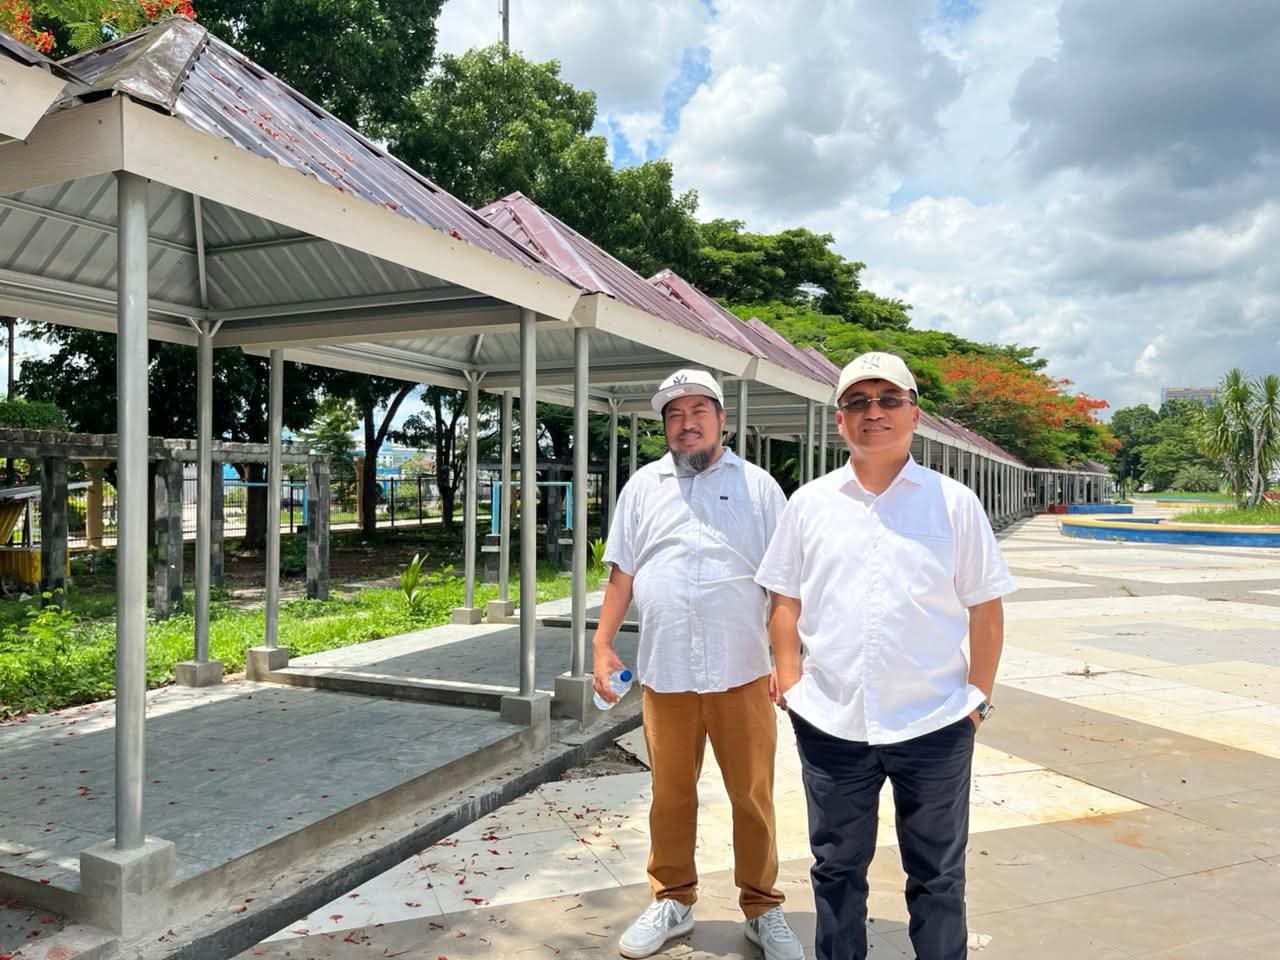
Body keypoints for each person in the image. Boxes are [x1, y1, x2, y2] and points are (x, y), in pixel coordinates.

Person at [754, 351, 1014, 960]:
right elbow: (784, 597)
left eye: (889, 399)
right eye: (858, 402)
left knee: (939, 874)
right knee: (835, 869)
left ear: (913, 414)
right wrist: (791, 679)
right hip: (832, 721)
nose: (874, 412)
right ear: (840, 420)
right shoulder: (810, 503)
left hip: (934, 721)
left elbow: (985, 607)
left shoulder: (954, 503)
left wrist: (976, 700)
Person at [592, 368, 802, 960]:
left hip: (743, 672)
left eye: (698, 412)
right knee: (670, 793)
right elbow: (621, 574)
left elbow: (784, 584)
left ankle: (762, 907)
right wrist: (602, 644)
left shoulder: (759, 488)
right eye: (675, 415)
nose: (687, 424)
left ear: (722, 420)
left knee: (752, 796)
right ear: (665, 427)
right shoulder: (642, 487)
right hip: (667, 674)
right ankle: (673, 899)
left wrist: (787, 661)